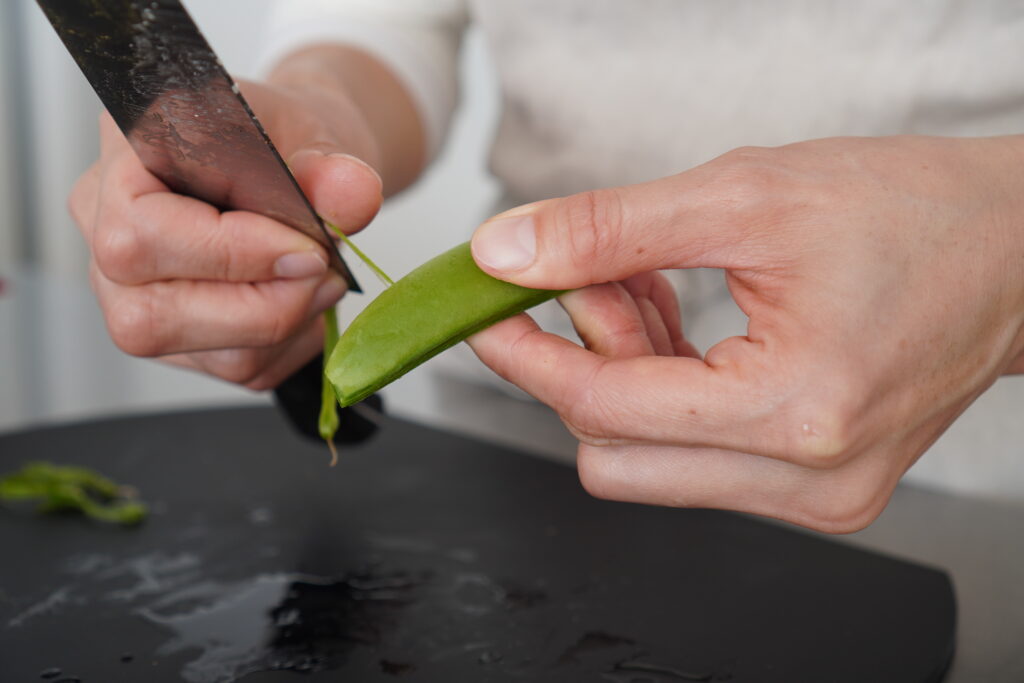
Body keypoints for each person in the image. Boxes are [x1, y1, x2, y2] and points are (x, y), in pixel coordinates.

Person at [68, 1, 1024, 533]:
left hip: (972, 473)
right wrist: (319, 118)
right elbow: (388, 24)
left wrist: (1006, 259)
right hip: (533, 424)